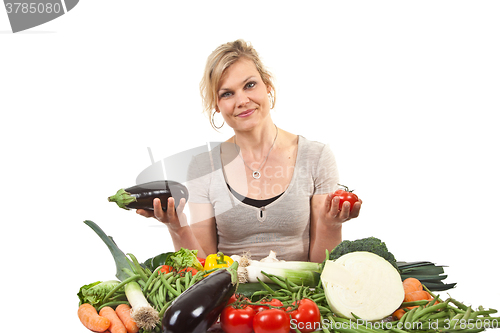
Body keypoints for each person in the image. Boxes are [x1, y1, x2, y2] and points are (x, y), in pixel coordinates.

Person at [137, 39, 362, 263]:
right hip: (232, 298)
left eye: (250, 85)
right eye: (227, 93)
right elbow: (202, 268)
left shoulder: (316, 157)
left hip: (300, 297)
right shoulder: (204, 166)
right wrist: (177, 227)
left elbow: (322, 268)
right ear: (217, 105)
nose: (242, 100)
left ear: (268, 86)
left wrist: (332, 224)